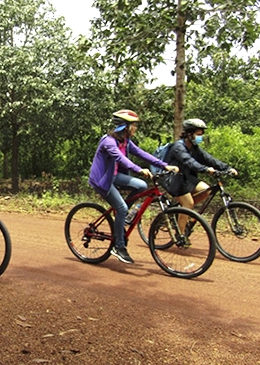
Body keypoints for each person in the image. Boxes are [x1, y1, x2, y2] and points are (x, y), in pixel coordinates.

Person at [88, 110, 179, 264]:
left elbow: (142, 154)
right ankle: (118, 246)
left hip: (115, 176)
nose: (135, 128)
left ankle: (121, 214)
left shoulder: (126, 141)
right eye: (134, 125)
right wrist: (139, 169)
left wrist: (165, 165)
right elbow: (120, 159)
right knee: (123, 208)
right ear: (125, 126)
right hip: (102, 180)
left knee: (142, 186)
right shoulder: (109, 141)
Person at [161, 118, 238, 209]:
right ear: (189, 134)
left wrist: (227, 168)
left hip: (186, 178)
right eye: (198, 135)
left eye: (201, 135)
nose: (200, 137)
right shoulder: (178, 147)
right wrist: (205, 169)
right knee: (188, 204)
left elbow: (209, 159)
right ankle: (183, 216)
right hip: (173, 179)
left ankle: (181, 211)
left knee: (205, 190)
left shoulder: (194, 147)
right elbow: (189, 161)